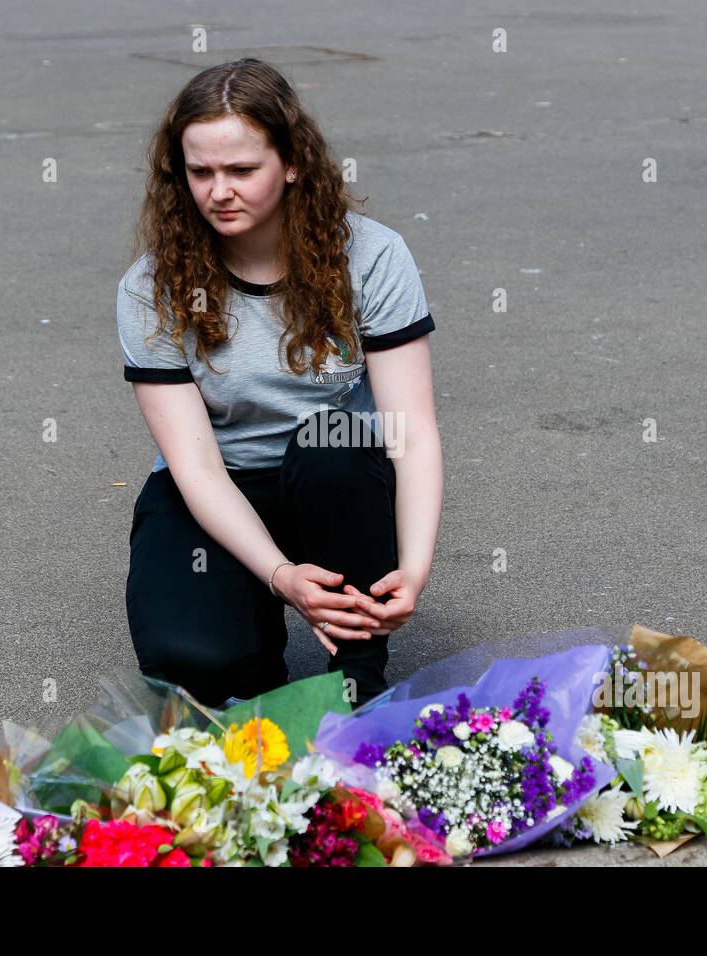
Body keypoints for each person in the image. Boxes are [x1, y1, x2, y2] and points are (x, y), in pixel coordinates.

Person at [117, 58, 442, 708]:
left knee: (333, 444)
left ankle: (354, 675)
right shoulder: (150, 287)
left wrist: (414, 569)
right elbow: (198, 466)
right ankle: (249, 645)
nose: (218, 191)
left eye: (241, 170)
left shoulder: (373, 258)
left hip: (332, 475)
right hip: (221, 483)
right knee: (195, 663)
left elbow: (412, 431)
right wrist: (280, 575)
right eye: (200, 171)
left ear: (292, 162)